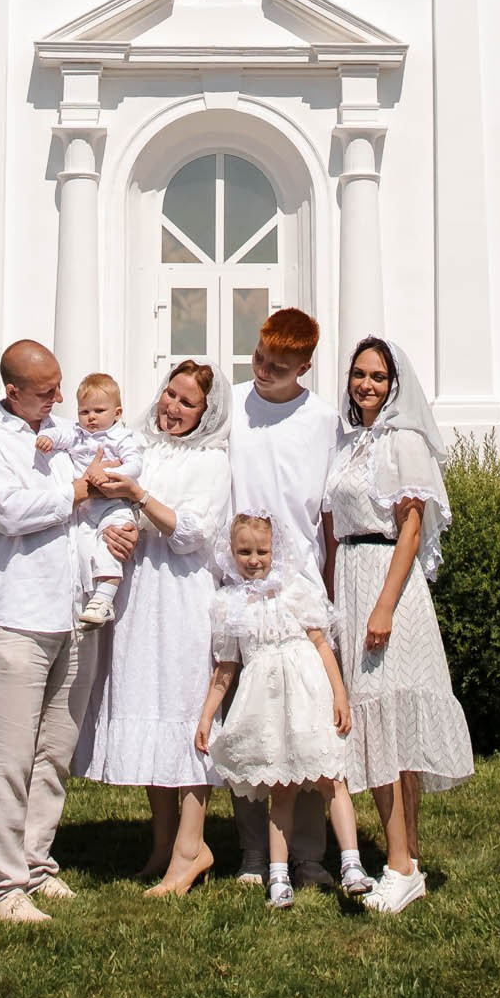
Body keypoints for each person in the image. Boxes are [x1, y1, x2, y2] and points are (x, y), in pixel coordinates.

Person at [0, 337, 127, 923]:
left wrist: (111, 536)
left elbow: (86, 514)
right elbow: (12, 511)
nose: (58, 398)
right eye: (45, 390)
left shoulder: (62, 440)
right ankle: (2, 884)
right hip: (18, 613)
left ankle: (36, 862)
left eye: (58, 386)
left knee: (55, 749)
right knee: (10, 754)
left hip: (74, 611)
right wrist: (79, 490)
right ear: (12, 391)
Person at [326, 334, 476, 915]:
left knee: (389, 726)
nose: (367, 384)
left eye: (378, 377)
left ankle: (397, 863)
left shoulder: (403, 442)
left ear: (395, 385)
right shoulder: (352, 442)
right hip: (353, 578)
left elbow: (411, 529)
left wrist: (383, 606)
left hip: (389, 584)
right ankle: (406, 856)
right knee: (382, 725)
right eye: (359, 374)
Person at [73, 358, 233, 894]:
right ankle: (163, 842)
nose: (173, 408)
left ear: (206, 413)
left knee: (185, 715)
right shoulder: (136, 445)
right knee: (149, 704)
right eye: (170, 395)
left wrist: (137, 498)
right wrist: (113, 527)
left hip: (182, 597)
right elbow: (103, 501)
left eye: (188, 403)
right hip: (141, 594)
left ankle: (192, 847)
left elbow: (192, 532)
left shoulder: (210, 462)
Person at [195, 512, 367, 909]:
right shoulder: (228, 605)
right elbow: (226, 667)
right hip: (267, 702)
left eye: (261, 551)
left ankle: (352, 864)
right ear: (231, 553)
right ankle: (278, 877)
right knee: (281, 788)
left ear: (275, 550)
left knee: (331, 777)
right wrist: (208, 715)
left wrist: (339, 694)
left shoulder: (295, 590)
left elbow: (322, 644)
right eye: (244, 552)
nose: (253, 559)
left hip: (308, 694)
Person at [228, 305, 340, 883]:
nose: (264, 371)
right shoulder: (233, 409)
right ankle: (252, 851)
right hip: (242, 581)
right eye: (259, 359)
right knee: (250, 717)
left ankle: (310, 854)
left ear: (305, 366)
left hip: (301, 584)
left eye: (278, 366)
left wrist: (329, 581)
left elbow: (327, 513)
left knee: (308, 718)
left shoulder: (322, 420)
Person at [30, 371, 146, 626]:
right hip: (86, 508)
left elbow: (134, 465)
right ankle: (92, 598)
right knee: (82, 549)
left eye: (99, 411)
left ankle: (105, 599)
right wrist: (48, 439)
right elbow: (63, 436)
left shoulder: (122, 437)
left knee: (109, 546)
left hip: (114, 505)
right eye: (85, 412)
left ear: (117, 414)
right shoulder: (78, 434)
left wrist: (106, 474)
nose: (91, 417)